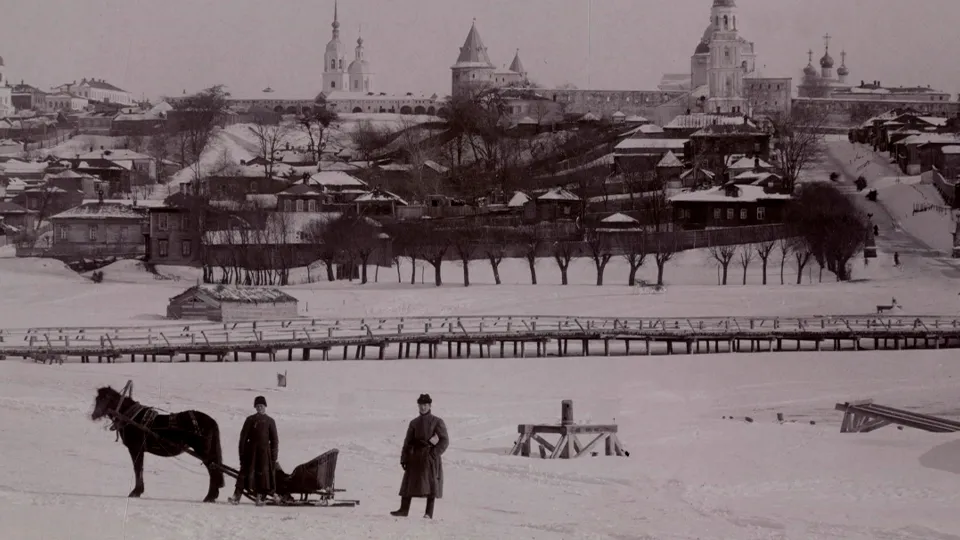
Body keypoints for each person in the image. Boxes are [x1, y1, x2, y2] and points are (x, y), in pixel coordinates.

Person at [391, 393, 448, 519]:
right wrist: (404, 458)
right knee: (408, 483)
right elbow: (407, 442)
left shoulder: (437, 421)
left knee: (431, 484)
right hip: (415, 456)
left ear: (430, 406)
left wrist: (434, 453)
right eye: (421, 405)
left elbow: (444, 440)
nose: (423, 408)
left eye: (425, 405)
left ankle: (428, 513)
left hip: (429, 458)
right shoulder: (414, 423)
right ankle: (403, 510)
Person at [228, 395, 279, 506]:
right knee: (243, 474)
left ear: (265, 406)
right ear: (255, 407)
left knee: (263, 476)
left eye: (261, 405)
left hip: (265, 454)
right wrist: (242, 454)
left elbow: (274, 440)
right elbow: (243, 439)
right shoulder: (250, 420)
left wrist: (274, 456)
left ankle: (260, 498)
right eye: (257, 406)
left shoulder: (270, 421)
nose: (259, 408)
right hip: (250, 453)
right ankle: (236, 496)